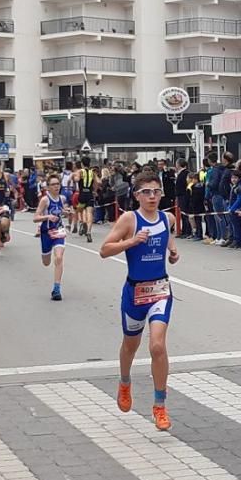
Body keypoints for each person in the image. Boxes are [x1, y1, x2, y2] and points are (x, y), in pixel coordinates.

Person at [100, 172, 179, 431]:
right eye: (147, 192)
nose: (153, 196)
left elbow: (167, 236)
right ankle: (124, 382)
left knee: (157, 345)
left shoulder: (167, 218)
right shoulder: (129, 219)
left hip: (160, 289)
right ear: (136, 196)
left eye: (157, 191)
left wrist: (173, 250)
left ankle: (160, 406)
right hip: (135, 293)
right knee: (130, 346)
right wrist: (132, 241)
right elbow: (104, 250)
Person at [34, 174, 70, 301]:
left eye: (58, 184)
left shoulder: (62, 198)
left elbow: (64, 210)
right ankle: (45, 254)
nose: (56, 186)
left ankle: (56, 289)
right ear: (48, 187)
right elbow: (35, 218)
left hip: (58, 231)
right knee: (46, 262)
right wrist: (47, 217)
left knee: (59, 257)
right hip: (46, 233)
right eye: (53, 184)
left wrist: (67, 212)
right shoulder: (45, 200)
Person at [76, 157, 98, 242]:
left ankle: (83, 222)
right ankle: (89, 231)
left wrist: (76, 177)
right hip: (89, 194)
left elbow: (77, 179)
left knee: (81, 210)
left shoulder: (80, 172)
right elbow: (98, 182)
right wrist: (95, 191)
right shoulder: (92, 173)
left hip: (82, 194)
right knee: (90, 212)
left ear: (82, 163)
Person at [174, 158, 191, 237]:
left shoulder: (186, 173)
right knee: (182, 214)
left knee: (185, 214)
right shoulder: (179, 173)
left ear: (179, 164)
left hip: (184, 195)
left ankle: (187, 231)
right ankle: (184, 231)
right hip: (180, 195)